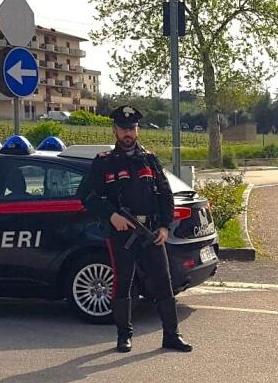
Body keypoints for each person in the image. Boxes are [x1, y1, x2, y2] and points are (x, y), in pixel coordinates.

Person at [76, 105, 193, 354]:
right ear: (115, 130)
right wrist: (112, 216)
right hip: (122, 233)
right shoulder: (104, 162)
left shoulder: (150, 160)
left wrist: (164, 226)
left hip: (151, 232)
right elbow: (85, 196)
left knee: (163, 283)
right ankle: (124, 336)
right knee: (124, 284)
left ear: (137, 130)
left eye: (131, 128)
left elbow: (165, 195)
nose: (127, 133)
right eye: (123, 128)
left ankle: (172, 335)